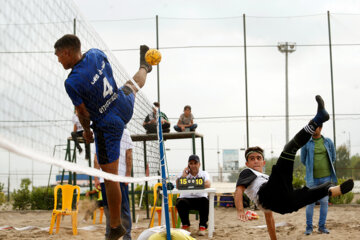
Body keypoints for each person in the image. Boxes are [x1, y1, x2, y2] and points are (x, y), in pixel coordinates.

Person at [54, 34, 152, 240]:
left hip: (108, 125)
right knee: (133, 84)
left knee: (110, 178)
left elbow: (82, 113)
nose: (58, 60)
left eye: (58, 56)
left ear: (67, 52)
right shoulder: (96, 54)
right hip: (121, 104)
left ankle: (115, 226)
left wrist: (88, 132)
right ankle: (145, 66)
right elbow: (107, 75)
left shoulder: (72, 82)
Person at [234, 95, 354, 240]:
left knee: (306, 194)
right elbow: (239, 190)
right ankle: (317, 120)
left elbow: (269, 218)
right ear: (247, 164)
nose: (255, 161)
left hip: (281, 204)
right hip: (268, 196)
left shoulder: (265, 178)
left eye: (258, 158)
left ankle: (333, 190)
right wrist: (240, 210)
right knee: (289, 150)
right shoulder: (247, 172)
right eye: (252, 159)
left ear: (263, 162)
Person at [94, 127, 133, 239]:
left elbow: (128, 153)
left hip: (112, 178)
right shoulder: (123, 131)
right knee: (116, 210)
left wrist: (127, 174)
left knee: (112, 210)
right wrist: (128, 174)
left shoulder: (99, 131)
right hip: (110, 178)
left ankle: (122, 237)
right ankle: (116, 236)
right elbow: (129, 154)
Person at [301, 124, 337, 235]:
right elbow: (303, 159)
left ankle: (321, 227)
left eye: (315, 127)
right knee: (310, 203)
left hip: (326, 178)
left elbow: (333, 157)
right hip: (312, 179)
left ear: (320, 128)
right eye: (311, 127)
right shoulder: (306, 143)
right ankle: (309, 228)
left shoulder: (328, 142)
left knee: (324, 202)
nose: (312, 129)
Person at [175, 154, 211, 236]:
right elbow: (177, 186)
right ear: (188, 165)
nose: (193, 165)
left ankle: (202, 227)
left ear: (199, 164)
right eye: (191, 163)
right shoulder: (182, 173)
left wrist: (189, 184)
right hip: (186, 199)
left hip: (199, 199)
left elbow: (208, 184)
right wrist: (184, 177)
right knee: (180, 202)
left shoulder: (204, 173)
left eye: (195, 163)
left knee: (205, 201)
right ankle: (186, 226)